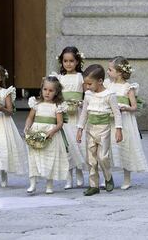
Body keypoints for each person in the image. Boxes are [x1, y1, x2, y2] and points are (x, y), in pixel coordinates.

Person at [76, 64, 123, 196]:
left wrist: (119, 129)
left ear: (100, 81)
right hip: (90, 130)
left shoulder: (109, 95)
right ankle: (93, 185)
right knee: (91, 159)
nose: (87, 86)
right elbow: (84, 113)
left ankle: (108, 177)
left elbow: (117, 113)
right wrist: (80, 129)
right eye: (86, 84)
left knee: (102, 157)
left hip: (104, 130)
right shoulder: (88, 95)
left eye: (90, 83)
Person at [104, 56, 148, 189]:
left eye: (110, 70)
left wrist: (125, 108)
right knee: (109, 147)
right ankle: (107, 178)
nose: (107, 72)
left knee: (125, 146)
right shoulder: (108, 84)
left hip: (124, 121)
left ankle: (127, 178)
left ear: (119, 72)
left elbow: (134, 106)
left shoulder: (128, 87)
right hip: (110, 121)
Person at [24, 76, 70, 194]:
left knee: (49, 158)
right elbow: (30, 118)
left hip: (50, 135)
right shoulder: (36, 104)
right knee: (34, 157)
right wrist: (27, 127)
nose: (47, 93)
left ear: (56, 92)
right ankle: (32, 184)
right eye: (45, 89)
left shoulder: (57, 106)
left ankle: (49, 185)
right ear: (41, 89)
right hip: (36, 132)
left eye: (51, 90)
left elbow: (60, 123)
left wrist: (52, 131)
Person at [54, 46, 86, 189]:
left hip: (78, 115)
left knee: (78, 145)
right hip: (65, 117)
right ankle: (68, 178)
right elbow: (56, 95)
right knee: (66, 146)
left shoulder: (81, 78)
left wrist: (81, 103)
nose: (68, 64)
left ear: (77, 62)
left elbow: (87, 95)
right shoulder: (59, 78)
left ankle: (80, 174)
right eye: (65, 61)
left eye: (71, 61)